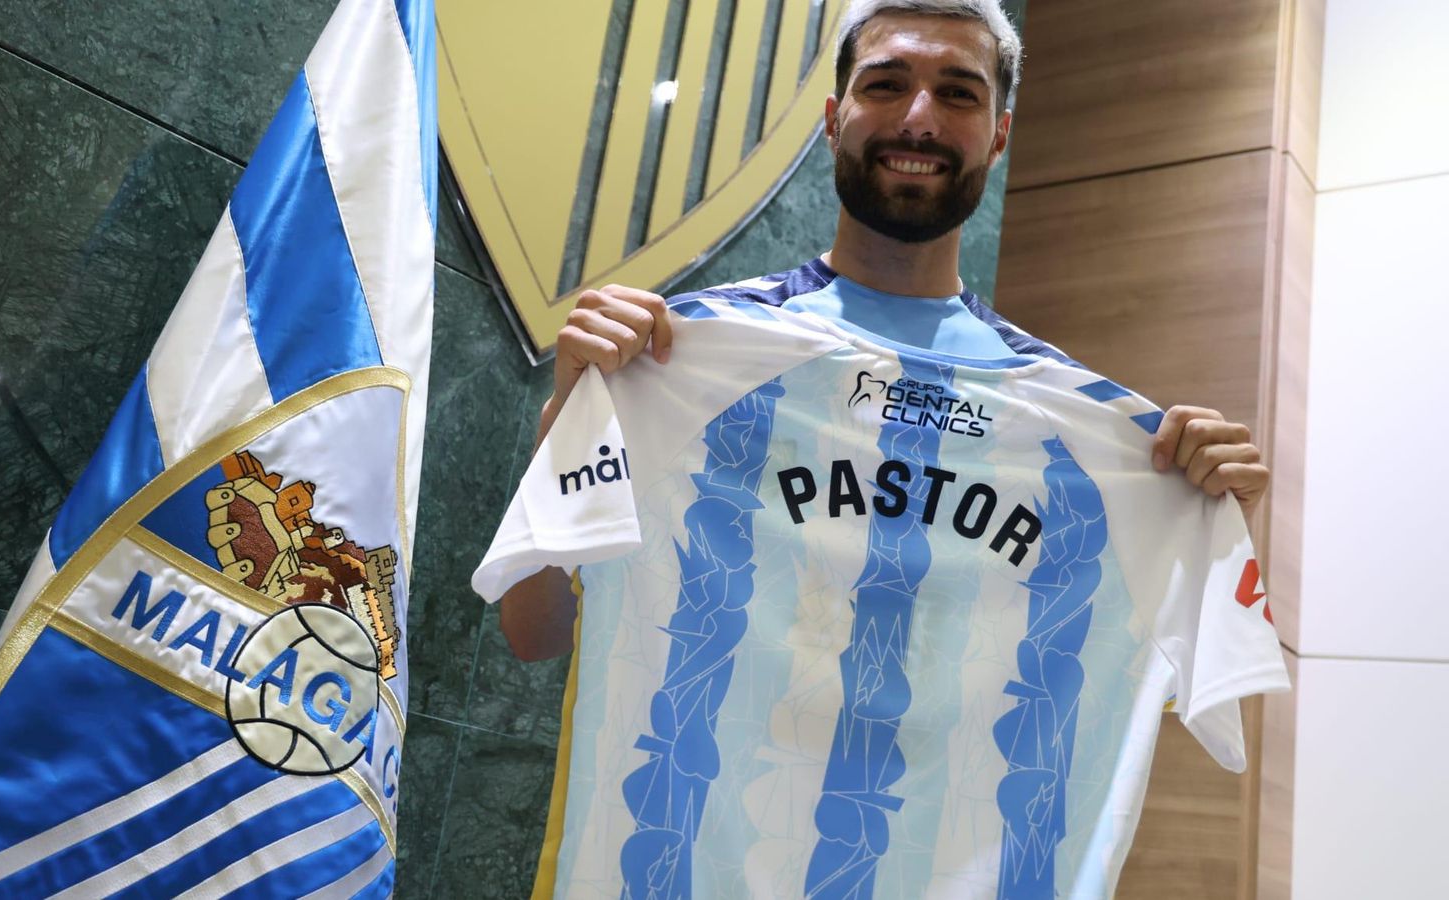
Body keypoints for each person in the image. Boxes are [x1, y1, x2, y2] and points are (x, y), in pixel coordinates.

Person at [499, 0, 1268, 662]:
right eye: (886, 85)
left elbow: (1154, 658)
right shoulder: (678, 353)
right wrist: (570, 420)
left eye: (959, 94)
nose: (918, 118)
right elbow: (536, 636)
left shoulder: (1066, 422)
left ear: (998, 138)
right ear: (835, 120)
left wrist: (1210, 515)